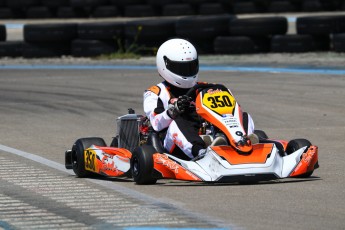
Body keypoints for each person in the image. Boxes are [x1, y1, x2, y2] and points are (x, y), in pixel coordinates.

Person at [143, 38, 255, 160]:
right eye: (181, 68)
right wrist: (173, 111)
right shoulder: (155, 92)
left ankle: (243, 142)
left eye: (190, 67)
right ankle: (201, 153)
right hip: (173, 144)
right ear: (165, 65)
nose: (187, 72)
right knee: (178, 122)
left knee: (244, 116)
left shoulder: (205, 88)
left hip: (205, 133)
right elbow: (156, 124)